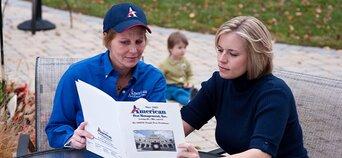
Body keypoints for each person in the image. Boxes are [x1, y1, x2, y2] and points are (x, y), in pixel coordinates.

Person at [177, 16, 308, 158]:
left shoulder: (274, 94)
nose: (222, 59)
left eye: (232, 54)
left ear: (256, 56)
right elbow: (182, 124)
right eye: (220, 50)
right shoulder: (219, 82)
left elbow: (261, 154)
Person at [45, 3, 167, 149]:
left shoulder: (154, 79)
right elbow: (55, 128)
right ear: (107, 41)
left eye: (139, 41)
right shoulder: (77, 74)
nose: (134, 50)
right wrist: (71, 138)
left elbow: (159, 131)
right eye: (124, 42)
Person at [159, 31, 197, 106]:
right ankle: (189, 102)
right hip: (170, 87)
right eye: (179, 48)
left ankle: (196, 98)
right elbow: (160, 78)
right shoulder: (165, 64)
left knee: (189, 90)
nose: (183, 50)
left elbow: (190, 74)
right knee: (178, 93)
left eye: (184, 47)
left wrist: (189, 82)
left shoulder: (185, 62)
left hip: (183, 85)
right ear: (170, 49)